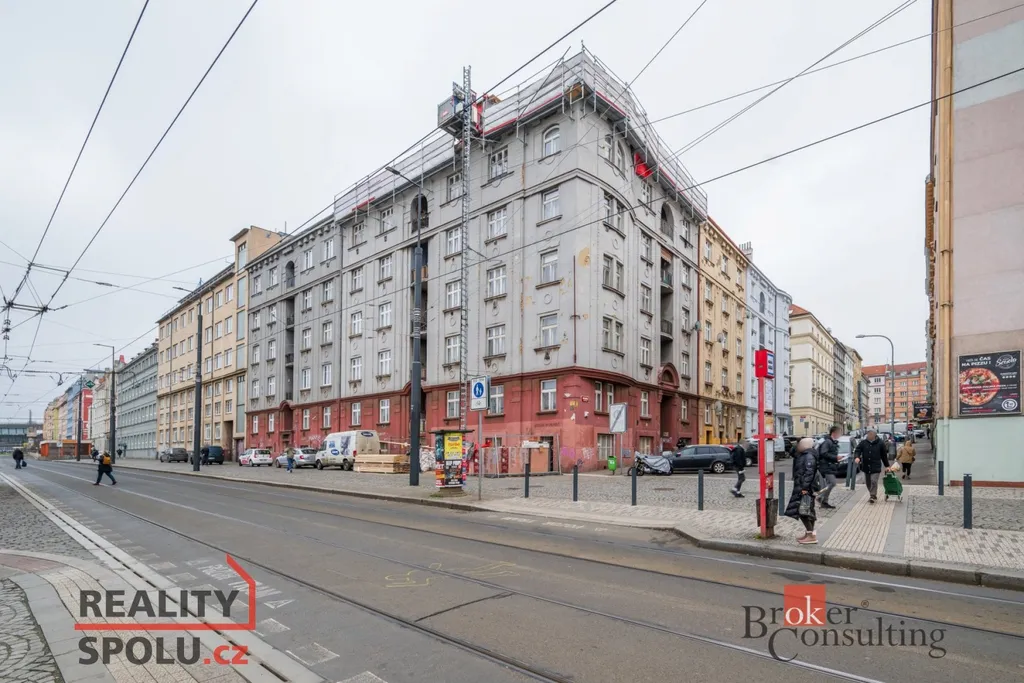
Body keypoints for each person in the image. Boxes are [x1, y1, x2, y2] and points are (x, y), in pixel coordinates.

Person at [784, 437, 821, 544]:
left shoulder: (808, 456)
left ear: (804, 446)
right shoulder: (804, 454)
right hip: (803, 487)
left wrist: (804, 488)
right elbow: (792, 452)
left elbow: (809, 473)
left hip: (806, 488)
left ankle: (811, 536)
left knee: (803, 511)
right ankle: (809, 534)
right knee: (807, 511)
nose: (798, 446)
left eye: (799, 444)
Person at [854, 430, 890, 503]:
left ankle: (872, 496)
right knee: (868, 482)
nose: (869, 436)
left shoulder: (880, 443)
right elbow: (857, 450)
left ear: (875, 435)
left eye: (871, 434)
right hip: (866, 466)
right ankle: (872, 494)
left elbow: (884, 456)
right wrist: (857, 457)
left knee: (874, 481)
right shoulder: (863, 443)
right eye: (868, 434)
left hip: (876, 466)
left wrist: (887, 465)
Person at [817, 426, 841, 509]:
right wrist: (835, 457)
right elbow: (823, 453)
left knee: (828, 484)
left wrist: (836, 458)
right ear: (834, 433)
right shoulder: (828, 441)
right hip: (826, 466)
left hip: (830, 465)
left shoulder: (832, 442)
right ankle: (820, 497)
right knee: (832, 483)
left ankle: (824, 502)